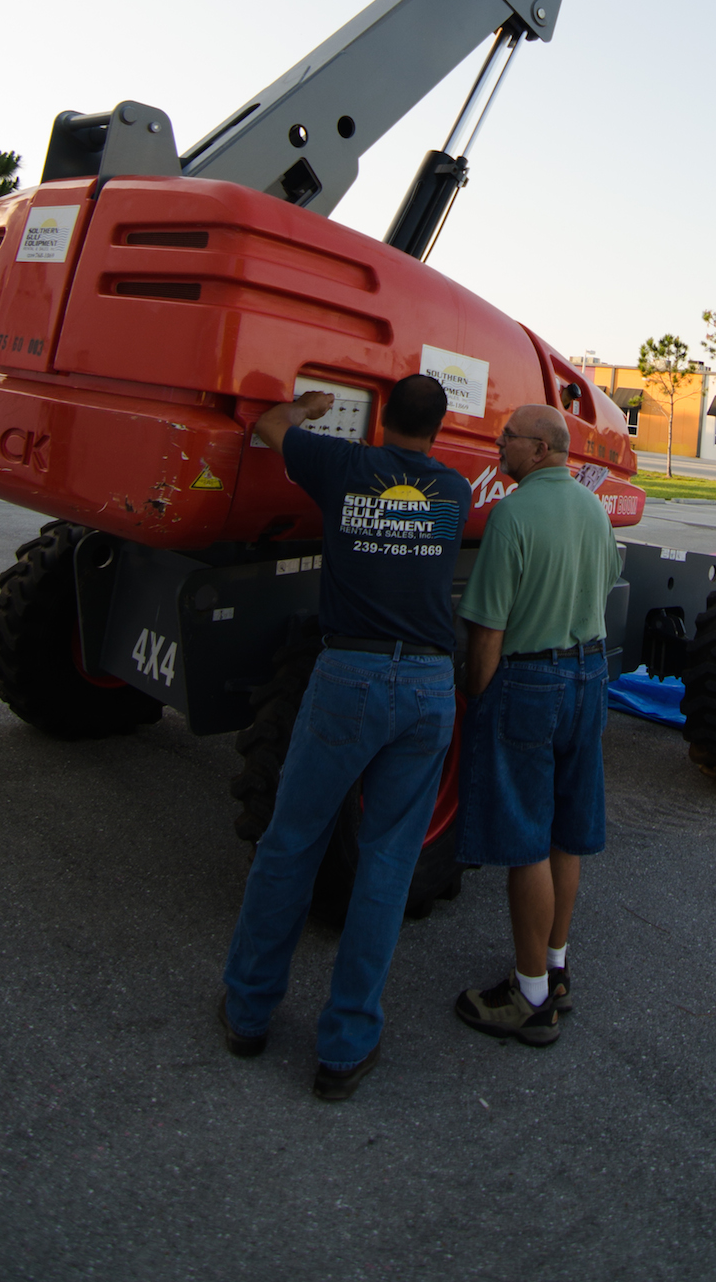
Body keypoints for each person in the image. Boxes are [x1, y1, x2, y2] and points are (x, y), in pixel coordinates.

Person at [218, 371, 470, 1101]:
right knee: (388, 866)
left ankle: (248, 1012)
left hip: (349, 676)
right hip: (427, 688)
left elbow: (268, 426)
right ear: (441, 427)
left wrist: (306, 409)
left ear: (380, 418)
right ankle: (346, 1044)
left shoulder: (343, 467)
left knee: (290, 842)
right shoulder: (452, 492)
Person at [452, 401, 621, 1044]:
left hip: (531, 682)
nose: (499, 444)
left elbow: (488, 629)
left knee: (525, 838)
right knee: (564, 834)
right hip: (589, 678)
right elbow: (606, 583)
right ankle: (556, 967)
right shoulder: (592, 510)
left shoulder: (512, 515)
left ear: (543, 449)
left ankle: (528, 1000)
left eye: (509, 438)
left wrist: (480, 697)